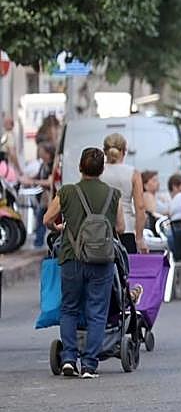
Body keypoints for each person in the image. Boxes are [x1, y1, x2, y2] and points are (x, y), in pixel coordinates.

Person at [41, 147, 125, 378]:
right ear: (102, 169)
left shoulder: (67, 192)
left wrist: (58, 227)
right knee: (97, 311)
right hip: (102, 259)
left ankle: (69, 358)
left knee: (69, 308)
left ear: (80, 167)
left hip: (72, 258)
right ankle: (89, 364)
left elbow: (47, 218)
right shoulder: (113, 194)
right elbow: (120, 227)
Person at [98, 134, 148, 256]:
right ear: (124, 151)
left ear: (104, 151)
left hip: (100, 230)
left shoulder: (97, 171)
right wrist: (139, 237)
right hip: (127, 228)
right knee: (127, 266)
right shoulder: (133, 173)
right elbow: (140, 206)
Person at [22, 143, 55, 248]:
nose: (39, 153)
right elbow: (38, 177)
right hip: (44, 199)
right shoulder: (43, 165)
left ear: (48, 153)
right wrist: (28, 180)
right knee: (41, 219)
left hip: (49, 198)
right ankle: (39, 242)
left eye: (42, 151)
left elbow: (49, 182)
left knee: (42, 219)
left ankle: (39, 243)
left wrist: (33, 181)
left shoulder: (52, 165)